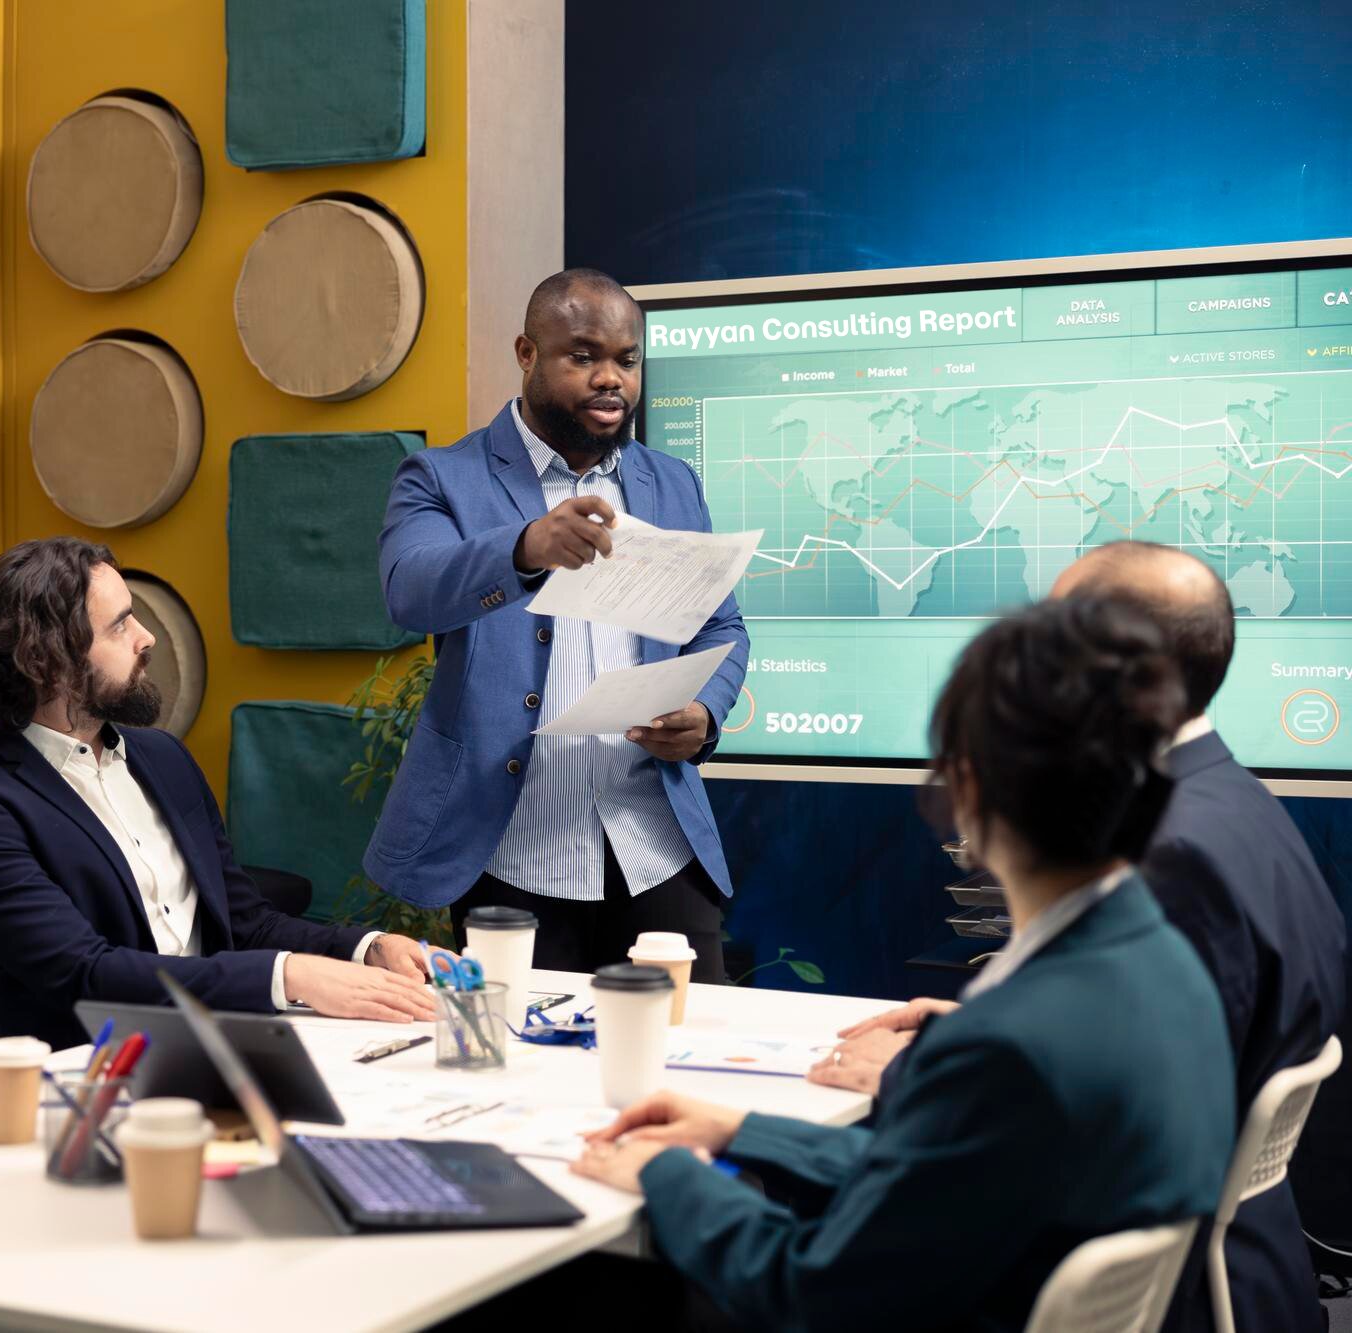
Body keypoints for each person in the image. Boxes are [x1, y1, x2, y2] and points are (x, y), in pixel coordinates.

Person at [571, 596, 1234, 1332]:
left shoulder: (1010, 1046)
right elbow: (941, 1182)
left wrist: (663, 1172)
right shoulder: (1162, 960)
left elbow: (807, 1292)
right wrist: (743, 1131)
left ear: (968, 787)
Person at [816, 542, 1347, 1332]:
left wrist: (913, 1076)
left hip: (1162, 1284)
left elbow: (1115, 1123)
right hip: (1250, 1261)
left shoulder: (1165, 850)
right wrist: (980, 1036)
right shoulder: (1226, 795)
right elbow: (1162, 1044)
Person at [363, 268, 748, 977]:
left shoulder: (673, 481)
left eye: (627, 360)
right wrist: (523, 549)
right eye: (583, 355)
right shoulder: (441, 477)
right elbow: (409, 591)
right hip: (510, 854)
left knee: (690, 1033)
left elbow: (721, 627)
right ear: (527, 353)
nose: (611, 379)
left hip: (655, 845)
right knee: (528, 1043)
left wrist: (705, 711)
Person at [0, 538, 437, 1049]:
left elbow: (245, 923)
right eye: (120, 624)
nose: (146, 637)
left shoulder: (163, 757)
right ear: (45, 662)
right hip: (88, 1070)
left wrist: (368, 949)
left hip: (219, 1044)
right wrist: (287, 976)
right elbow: (82, 972)